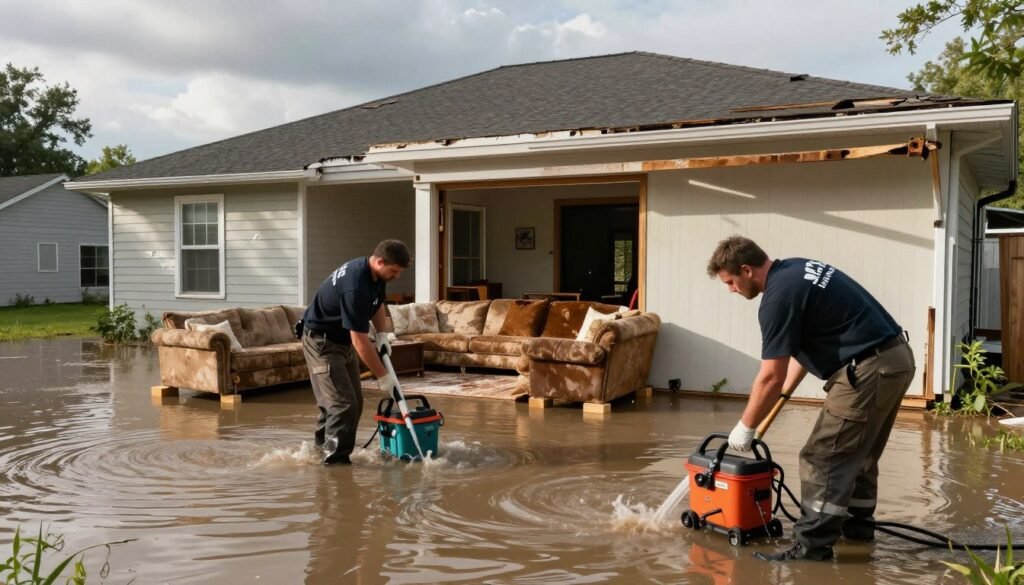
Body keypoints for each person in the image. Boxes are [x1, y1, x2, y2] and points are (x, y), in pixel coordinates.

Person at [706, 236, 915, 561]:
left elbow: (769, 376)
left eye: (731, 282)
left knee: (822, 456)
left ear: (746, 270)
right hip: (895, 359)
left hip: (869, 367)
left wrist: (745, 426)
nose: (731, 290)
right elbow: (800, 352)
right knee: (858, 454)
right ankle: (857, 531)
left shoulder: (777, 299)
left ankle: (811, 548)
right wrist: (783, 395)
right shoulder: (795, 270)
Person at [300, 239, 411, 464]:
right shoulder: (355, 286)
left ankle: (321, 451)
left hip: (340, 341)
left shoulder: (376, 275)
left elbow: (378, 303)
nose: (396, 276)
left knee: (352, 402)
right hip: (322, 343)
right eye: (394, 271)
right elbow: (360, 341)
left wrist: (382, 334)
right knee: (343, 404)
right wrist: (383, 376)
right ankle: (335, 464)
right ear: (380, 261)